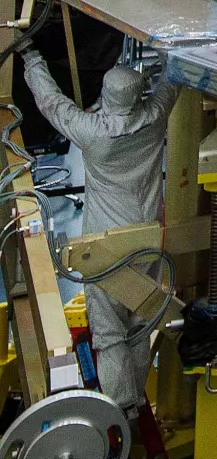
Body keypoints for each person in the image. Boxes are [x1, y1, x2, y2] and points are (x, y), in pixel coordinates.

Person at [19, 51, 170, 409]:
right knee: (139, 323)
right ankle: (136, 397)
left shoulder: (91, 133)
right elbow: (173, 84)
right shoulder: (155, 119)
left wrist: (32, 59)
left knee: (109, 334)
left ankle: (120, 410)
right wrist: (167, 51)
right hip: (148, 236)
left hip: (106, 248)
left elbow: (52, 103)